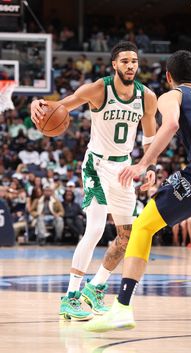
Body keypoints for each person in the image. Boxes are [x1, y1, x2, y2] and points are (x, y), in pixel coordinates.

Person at [84, 50, 191, 333]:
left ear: (168, 77)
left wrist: (143, 163)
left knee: (142, 226)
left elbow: (173, 124)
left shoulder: (173, 95)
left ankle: (122, 308)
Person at [31, 41, 157, 320]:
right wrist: (36, 103)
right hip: (96, 166)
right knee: (96, 228)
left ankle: (95, 287)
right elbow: (59, 105)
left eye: (134, 61)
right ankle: (71, 297)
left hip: (124, 169)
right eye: (125, 61)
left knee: (127, 237)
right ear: (114, 64)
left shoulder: (147, 96)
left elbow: (150, 137)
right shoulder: (98, 89)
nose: (130, 65)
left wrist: (149, 166)